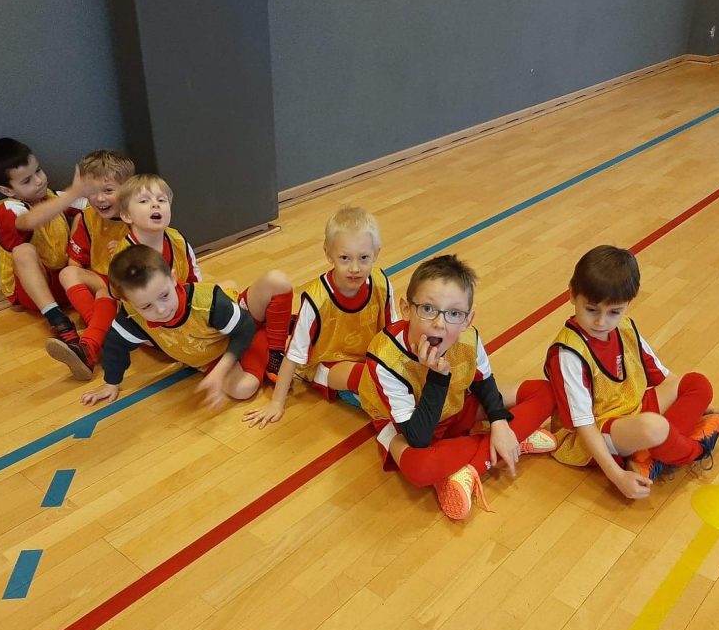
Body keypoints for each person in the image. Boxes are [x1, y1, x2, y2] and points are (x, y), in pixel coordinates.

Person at [358, 255, 558, 520]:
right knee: (420, 469)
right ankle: (512, 442)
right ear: (406, 309)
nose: (439, 323)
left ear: (467, 320)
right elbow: (418, 438)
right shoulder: (384, 357)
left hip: (455, 405)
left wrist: (500, 424)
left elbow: (484, 382)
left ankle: (477, 461)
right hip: (405, 428)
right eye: (428, 309)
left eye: (453, 314)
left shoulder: (468, 337)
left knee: (545, 391)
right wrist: (438, 376)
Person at [544, 245, 719, 499]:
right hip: (594, 435)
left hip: (633, 411)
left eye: (614, 312)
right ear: (572, 294)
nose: (601, 321)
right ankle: (694, 450)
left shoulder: (625, 327)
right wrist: (617, 475)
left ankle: (651, 457)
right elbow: (584, 425)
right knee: (654, 427)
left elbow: (667, 380)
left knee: (697, 383)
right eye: (591, 310)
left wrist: (704, 408)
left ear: (627, 304)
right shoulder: (568, 353)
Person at [80, 245, 292, 409]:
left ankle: (275, 349)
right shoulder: (132, 316)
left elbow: (244, 329)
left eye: (164, 295)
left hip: (236, 323)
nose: (161, 310)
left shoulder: (207, 303)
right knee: (244, 388)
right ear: (128, 302)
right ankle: (267, 326)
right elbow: (115, 346)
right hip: (213, 353)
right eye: (146, 306)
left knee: (277, 281)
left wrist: (220, 372)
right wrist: (111, 383)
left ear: (173, 278)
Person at [243, 206, 397, 428]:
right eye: (345, 258)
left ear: (376, 253)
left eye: (364, 258)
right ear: (328, 254)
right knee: (371, 381)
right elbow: (292, 356)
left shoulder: (381, 284)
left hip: (370, 358)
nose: (355, 268)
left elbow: (394, 333)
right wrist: (276, 403)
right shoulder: (317, 299)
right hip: (329, 366)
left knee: (397, 372)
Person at [47, 173, 200, 379]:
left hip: (179, 310)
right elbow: (121, 299)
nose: (155, 205)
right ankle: (94, 341)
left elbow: (195, 280)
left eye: (161, 200)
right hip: (149, 320)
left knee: (224, 292)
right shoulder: (123, 252)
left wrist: (196, 312)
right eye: (145, 201)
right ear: (127, 216)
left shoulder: (178, 240)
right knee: (106, 294)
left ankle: (94, 339)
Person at [0, 137, 98, 347]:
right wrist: (73, 193)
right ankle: (59, 321)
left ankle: (102, 308)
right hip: (35, 291)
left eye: (39, 171)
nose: (39, 181)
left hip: (66, 278)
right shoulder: (7, 208)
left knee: (86, 216)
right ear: (8, 190)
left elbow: (91, 205)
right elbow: (30, 220)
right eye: (27, 181)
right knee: (23, 251)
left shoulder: (52, 197)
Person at [48, 150, 135, 379]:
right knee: (68, 273)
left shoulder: (138, 216)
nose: (99, 198)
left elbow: (152, 262)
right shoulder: (88, 217)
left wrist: (127, 249)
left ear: (127, 189)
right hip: (102, 281)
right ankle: (98, 334)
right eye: (93, 191)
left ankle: (89, 345)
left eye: (108, 190)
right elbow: (75, 261)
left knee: (105, 292)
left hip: (130, 287)